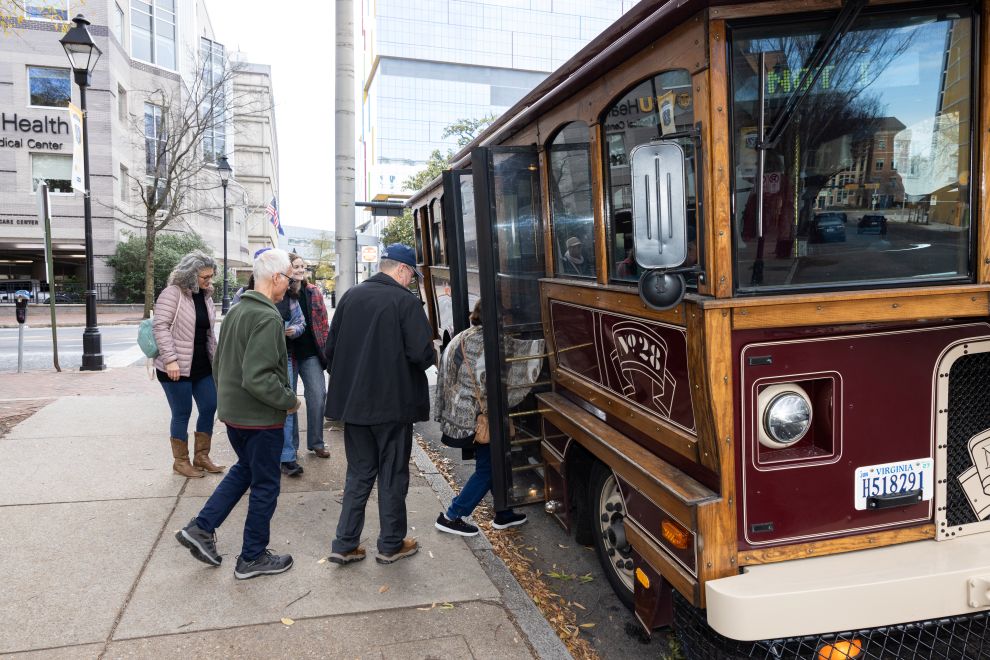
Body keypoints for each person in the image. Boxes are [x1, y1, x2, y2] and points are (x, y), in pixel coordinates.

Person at [175, 249, 302, 580]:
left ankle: (201, 528)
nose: (290, 284)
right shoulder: (268, 317)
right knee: (265, 486)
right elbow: (258, 376)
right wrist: (289, 400)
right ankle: (252, 557)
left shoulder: (237, 310)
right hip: (260, 419)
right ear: (276, 278)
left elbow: (219, 364)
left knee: (245, 470)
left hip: (235, 415)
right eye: (288, 278)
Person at [324, 243, 435, 566]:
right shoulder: (405, 302)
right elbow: (421, 354)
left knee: (358, 474)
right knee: (392, 475)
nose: (411, 281)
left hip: (354, 407)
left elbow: (330, 351)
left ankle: (344, 544)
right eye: (411, 275)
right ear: (402, 270)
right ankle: (390, 544)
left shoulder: (351, 296)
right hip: (392, 406)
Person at [433, 300, 527, 536]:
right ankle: (452, 515)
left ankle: (503, 513)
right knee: (488, 468)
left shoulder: (463, 336)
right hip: (480, 417)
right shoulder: (494, 341)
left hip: (459, 415)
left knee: (494, 463)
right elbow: (511, 381)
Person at [153, 251, 224, 478]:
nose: (209, 281)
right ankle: (181, 461)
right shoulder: (172, 293)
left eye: (211, 276)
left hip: (202, 365)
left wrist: (217, 360)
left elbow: (209, 333)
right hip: (175, 366)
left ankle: (201, 456)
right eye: (205, 277)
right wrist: (170, 360)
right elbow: (160, 327)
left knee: (210, 405)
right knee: (182, 413)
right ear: (191, 275)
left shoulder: (206, 296)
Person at [287, 254, 331, 459]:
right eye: (296, 266)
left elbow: (323, 322)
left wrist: (327, 349)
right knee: (289, 401)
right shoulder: (281, 291)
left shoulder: (312, 291)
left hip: (311, 353)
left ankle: (316, 442)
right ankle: (291, 448)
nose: (300, 269)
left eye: (303, 266)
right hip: (287, 354)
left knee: (318, 395)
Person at [276, 268, 306, 477]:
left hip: (284, 355)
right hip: (255, 358)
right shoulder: (244, 295)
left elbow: (300, 323)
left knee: (287, 405)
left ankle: (287, 457)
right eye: (286, 278)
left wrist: (293, 330)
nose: (289, 283)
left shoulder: (290, 299)